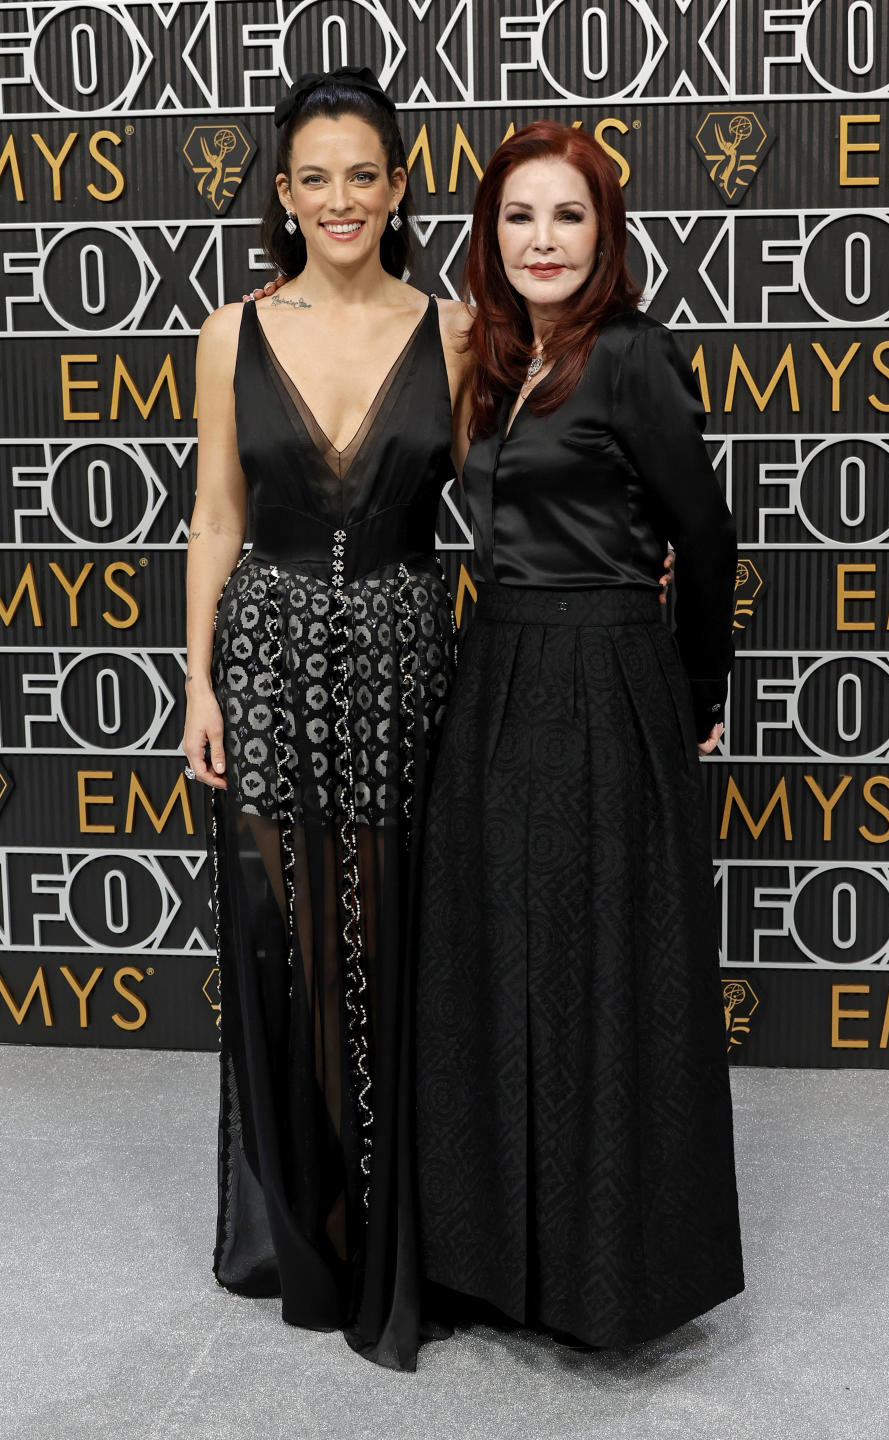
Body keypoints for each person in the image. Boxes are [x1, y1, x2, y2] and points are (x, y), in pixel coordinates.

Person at [415, 121, 745, 1349]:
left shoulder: (633, 355)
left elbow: (704, 542)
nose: (541, 239)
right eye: (518, 216)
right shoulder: (487, 358)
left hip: (609, 670)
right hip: (491, 668)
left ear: (603, 234)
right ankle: (492, 1262)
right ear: (487, 235)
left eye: (567, 216)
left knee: (606, 978)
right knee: (492, 965)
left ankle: (613, 1276)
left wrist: (699, 689)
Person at [180, 67, 471, 1371]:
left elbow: (520, 495)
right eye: (316, 177)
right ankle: (308, 1219)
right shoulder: (232, 331)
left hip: (414, 658)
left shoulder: (459, 331)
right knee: (293, 938)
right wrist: (198, 680)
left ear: (399, 186)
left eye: (366, 173)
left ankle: (403, 1219)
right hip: (276, 654)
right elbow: (219, 520)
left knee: (400, 931)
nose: (341, 198)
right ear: (284, 194)